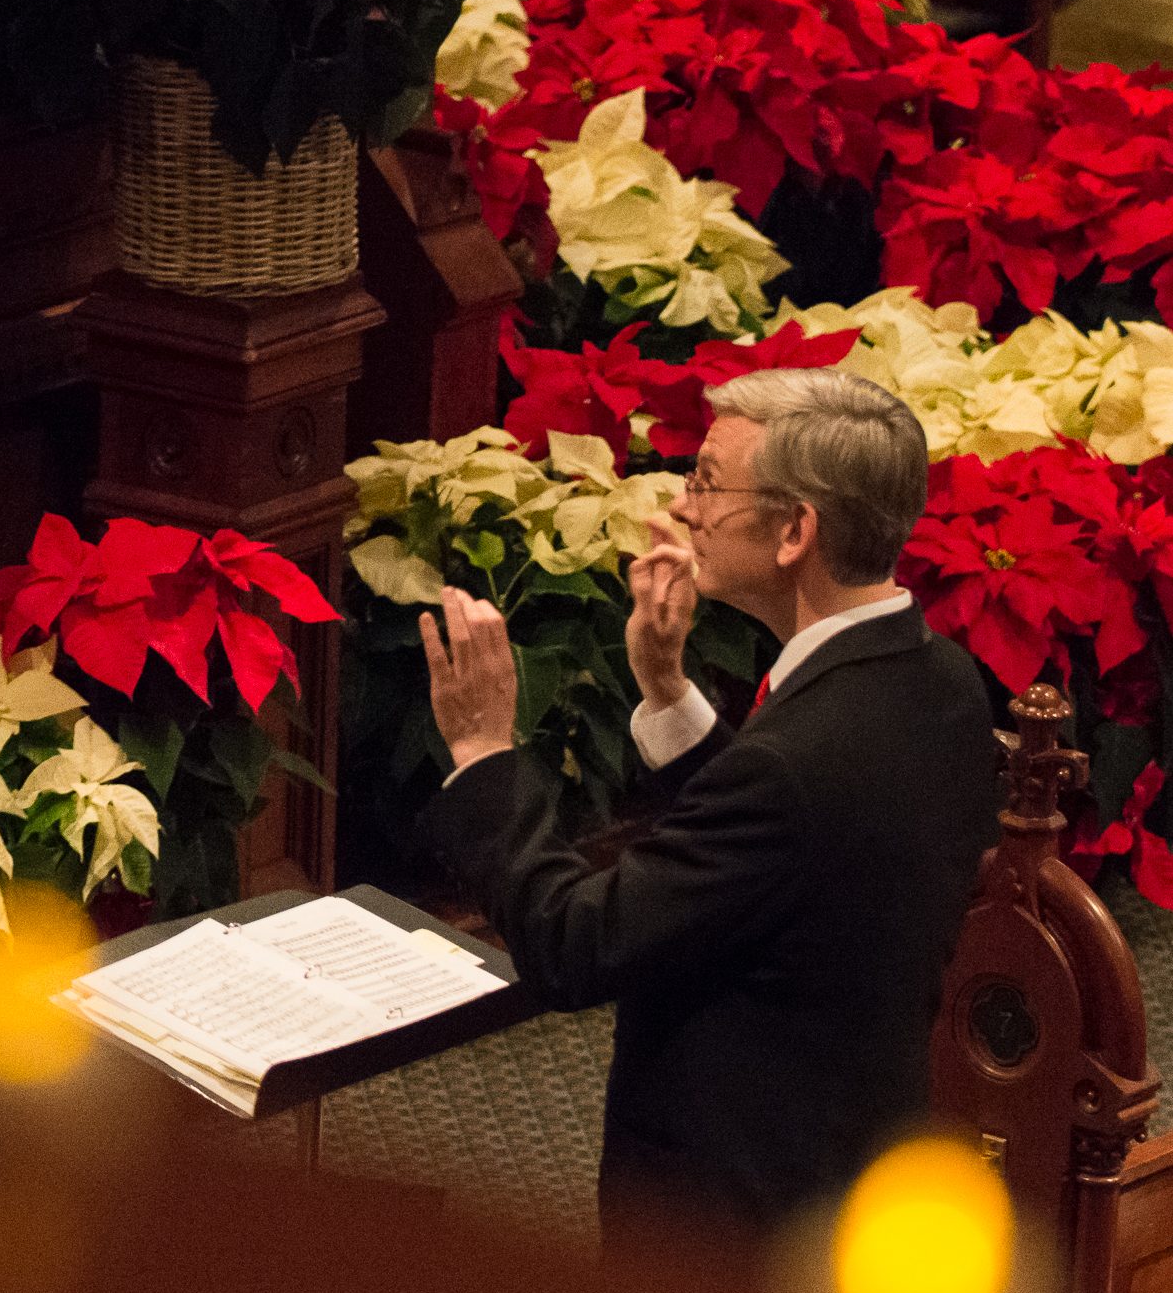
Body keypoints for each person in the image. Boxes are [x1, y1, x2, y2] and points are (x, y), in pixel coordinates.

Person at [417, 369, 1002, 1239]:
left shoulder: (790, 769)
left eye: (707, 482)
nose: (684, 507)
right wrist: (665, 689)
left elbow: (575, 947)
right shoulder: (945, 683)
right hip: (855, 1169)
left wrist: (483, 753)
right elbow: (793, 859)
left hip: (734, 1221)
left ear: (796, 530)